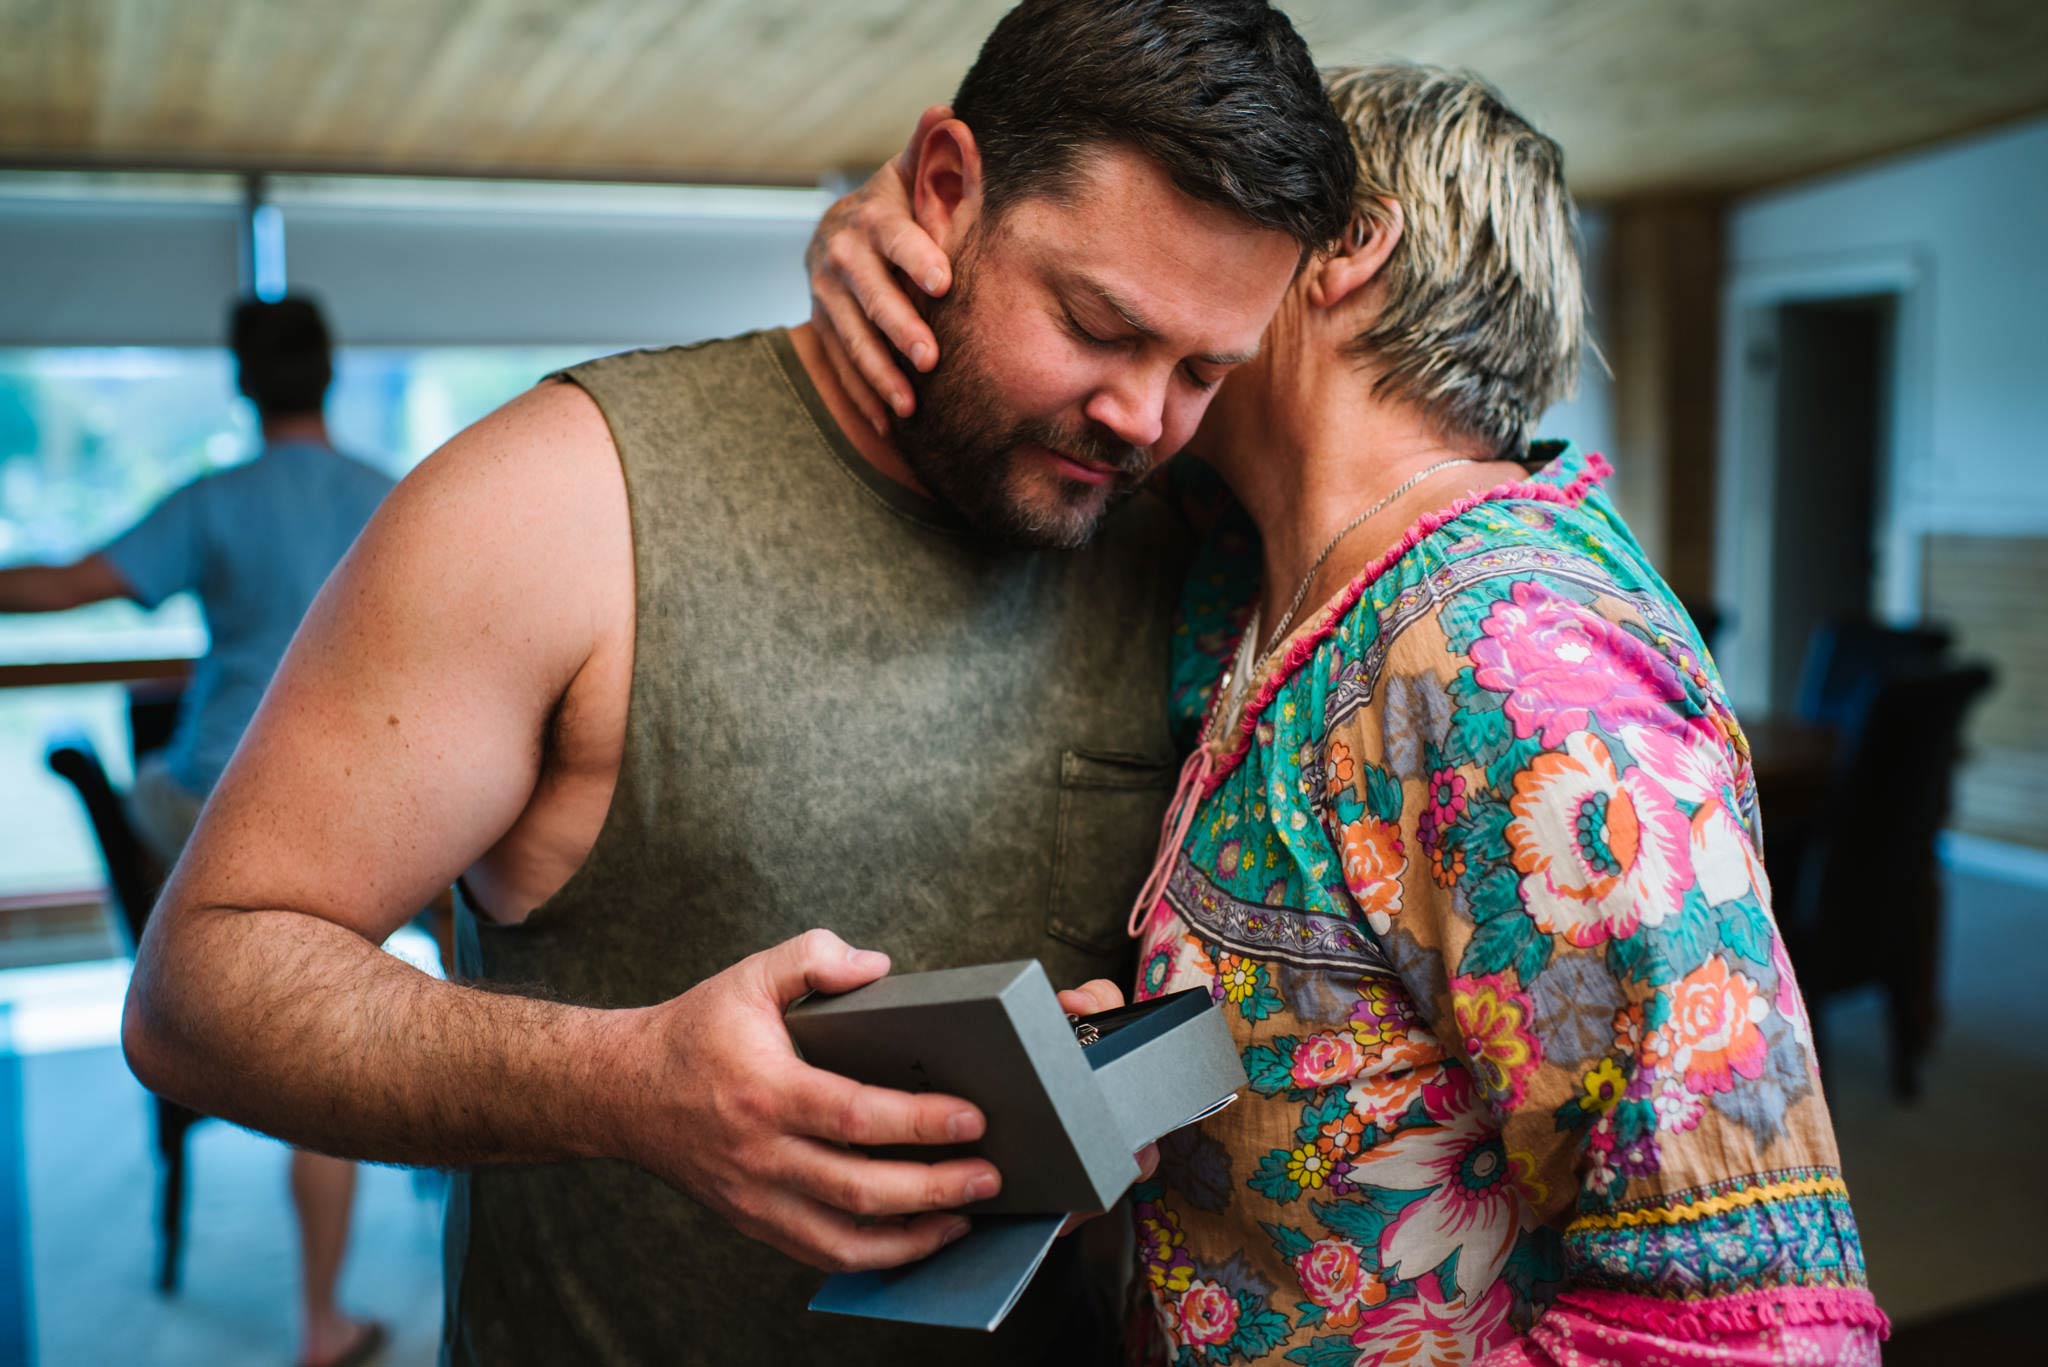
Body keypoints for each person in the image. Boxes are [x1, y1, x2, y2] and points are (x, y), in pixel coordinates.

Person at [118, 3, 1359, 1364]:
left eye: (1202, 368)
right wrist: (625, 1084)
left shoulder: (1192, 527)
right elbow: (198, 987)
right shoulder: (556, 502)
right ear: (941, 190)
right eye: (1093, 322)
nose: (1142, 417)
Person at [808, 63, 1888, 1365]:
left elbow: (1747, 1331)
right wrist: (909, 223)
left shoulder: (1517, 658)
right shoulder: (1256, 570)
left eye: (1227, 213)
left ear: (1345, 245)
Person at [0, 295, 392, 1367]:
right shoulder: (389, 501)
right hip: (339, 823)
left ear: (242, 381)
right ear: (330, 370)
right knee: (388, 947)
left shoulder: (218, 500)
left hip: (203, 815)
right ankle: (331, 1314)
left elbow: (76, 580)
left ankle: (192, 974)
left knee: (166, 800)